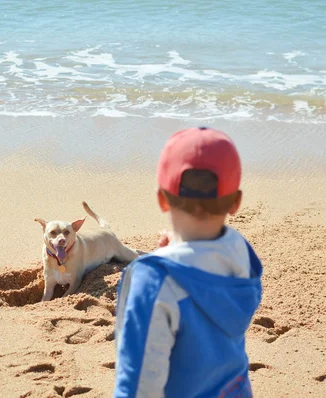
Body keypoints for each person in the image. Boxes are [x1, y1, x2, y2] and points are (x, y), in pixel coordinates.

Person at [113, 127, 263, 397]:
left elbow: (139, 385)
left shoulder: (154, 280)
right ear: (236, 202)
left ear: (161, 199)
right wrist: (177, 251)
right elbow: (204, 268)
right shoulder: (242, 253)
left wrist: (166, 259)